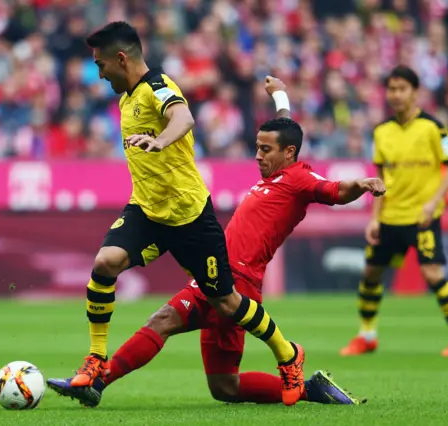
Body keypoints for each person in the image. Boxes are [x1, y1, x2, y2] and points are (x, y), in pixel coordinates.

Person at [48, 77, 384, 407]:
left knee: (163, 322)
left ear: (289, 152)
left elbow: (335, 190)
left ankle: (96, 382)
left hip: (237, 283)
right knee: (223, 386)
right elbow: (286, 127)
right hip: (216, 272)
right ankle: (311, 390)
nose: (257, 156)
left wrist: (362, 183)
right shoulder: (279, 169)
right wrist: (280, 94)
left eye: (265, 150)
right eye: (257, 148)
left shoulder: (299, 179)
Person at [63, 22, 310, 406]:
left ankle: (287, 354)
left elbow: (184, 118)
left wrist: (159, 140)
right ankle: (96, 359)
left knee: (226, 303)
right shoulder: (127, 98)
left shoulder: (158, 87)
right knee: (105, 263)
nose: (99, 73)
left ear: (121, 58)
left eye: (101, 64)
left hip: (189, 217)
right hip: (147, 211)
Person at [340, 65, 448, 357]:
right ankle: (366, 335)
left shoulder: (434, 128)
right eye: (392, 89)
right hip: (390, 217)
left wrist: (434, 201)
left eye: (402, 89)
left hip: (422, 216)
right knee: (371, 273)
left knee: (433, 273)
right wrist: (374, 218)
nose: (396, 95)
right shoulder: (381, 132)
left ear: (416, 92)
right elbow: (379, 180)